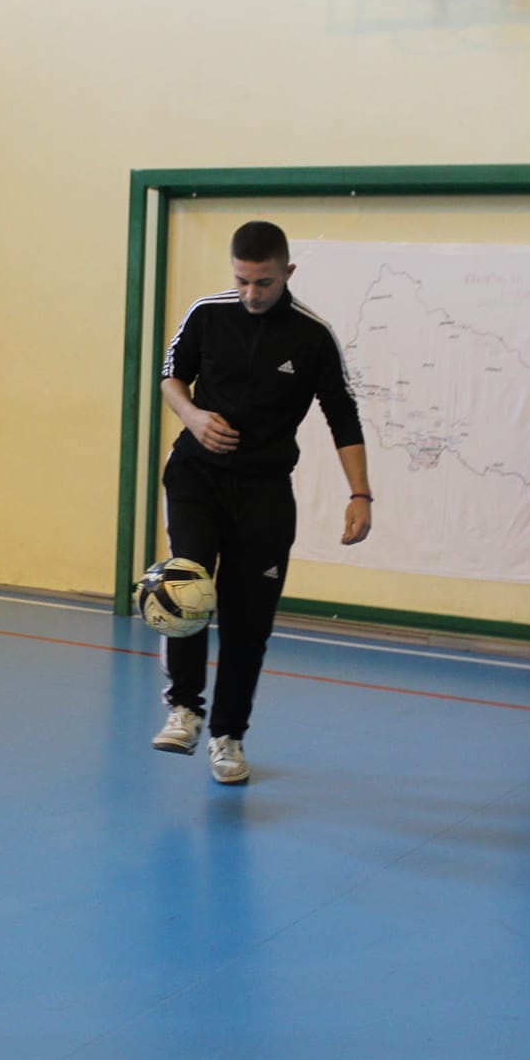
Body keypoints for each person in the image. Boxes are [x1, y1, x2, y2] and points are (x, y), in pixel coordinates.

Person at [150, 220, 373, 783]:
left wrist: (360, 494)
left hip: (265, 490)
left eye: (264, 282)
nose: (251, 293)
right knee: (187, 583)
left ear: (287, 273)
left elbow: (343, 416)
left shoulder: (312, 336)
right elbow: (172, 377)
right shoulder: (207, 314)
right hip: (196, 476)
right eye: (242, 280)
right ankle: (184, 708)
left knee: (249, 621)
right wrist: (192, 416)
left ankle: (228, 736)